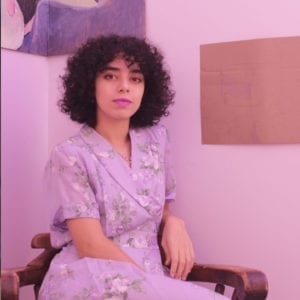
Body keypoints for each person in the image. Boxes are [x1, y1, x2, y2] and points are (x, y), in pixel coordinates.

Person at [39, 35, 229, 299]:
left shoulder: (156, 141)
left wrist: (174, 222)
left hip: (147, 276)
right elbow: (90, 244)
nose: (124, 87)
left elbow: (160, 207)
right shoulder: (70, 155)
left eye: (136, 79)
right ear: (89, 85)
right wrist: (151, 285)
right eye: (110, 76)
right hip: (92, 276)